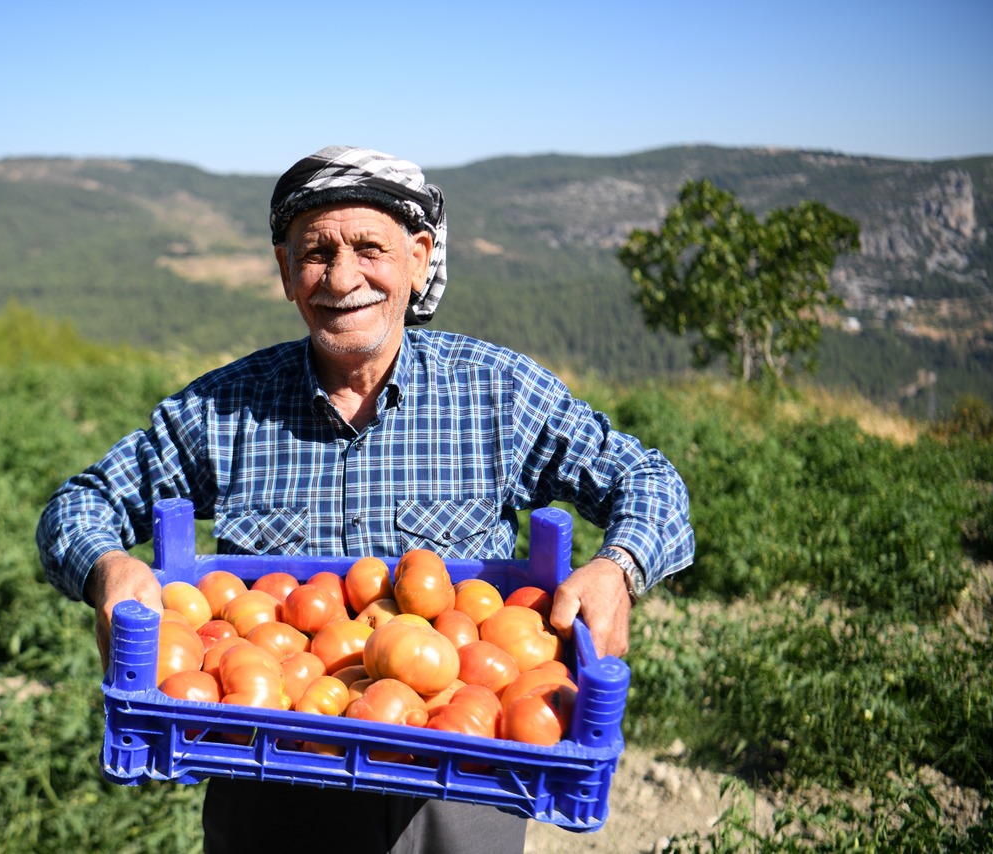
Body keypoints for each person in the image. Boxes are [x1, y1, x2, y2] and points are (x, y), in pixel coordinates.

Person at [37, 145, 695, 854]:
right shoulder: (225, 411)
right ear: (287, 273)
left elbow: (649, 479)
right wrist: (107, 565)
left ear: (418, 258)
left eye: (369, 248)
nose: (342, 278)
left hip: (456, 780)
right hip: (272, 781)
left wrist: (619, 565)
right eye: (316, 253)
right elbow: (79, 504)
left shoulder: (498, 395)